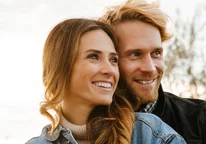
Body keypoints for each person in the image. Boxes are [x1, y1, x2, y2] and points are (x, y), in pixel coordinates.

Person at [26, 18, 185, 144]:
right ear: (60, 67)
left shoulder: (149, 134)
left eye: (113, 60)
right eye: (93, 57)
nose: (109, 70)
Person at [99, 0, 206, 144]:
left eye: (156, 53)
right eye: (135, 54)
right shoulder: (88, 122)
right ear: (111, 60)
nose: (150, 68)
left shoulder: (198, 120)